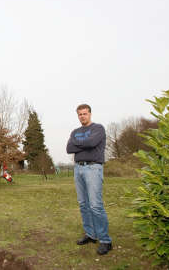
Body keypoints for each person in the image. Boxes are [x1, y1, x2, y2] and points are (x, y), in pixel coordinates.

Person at [66, 104, 112, 255]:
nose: (82, 116)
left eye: (85, 113)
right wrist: (84, 146)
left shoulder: (98, 129)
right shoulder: (75, 131)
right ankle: (91, 234)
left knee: (95, 205)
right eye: (79, 114)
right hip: (78, 169)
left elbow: (92, 143)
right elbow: (69, 148)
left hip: (93, 168)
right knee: (83, 204)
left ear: (90, 114)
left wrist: (78, 145)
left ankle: (105, 240)